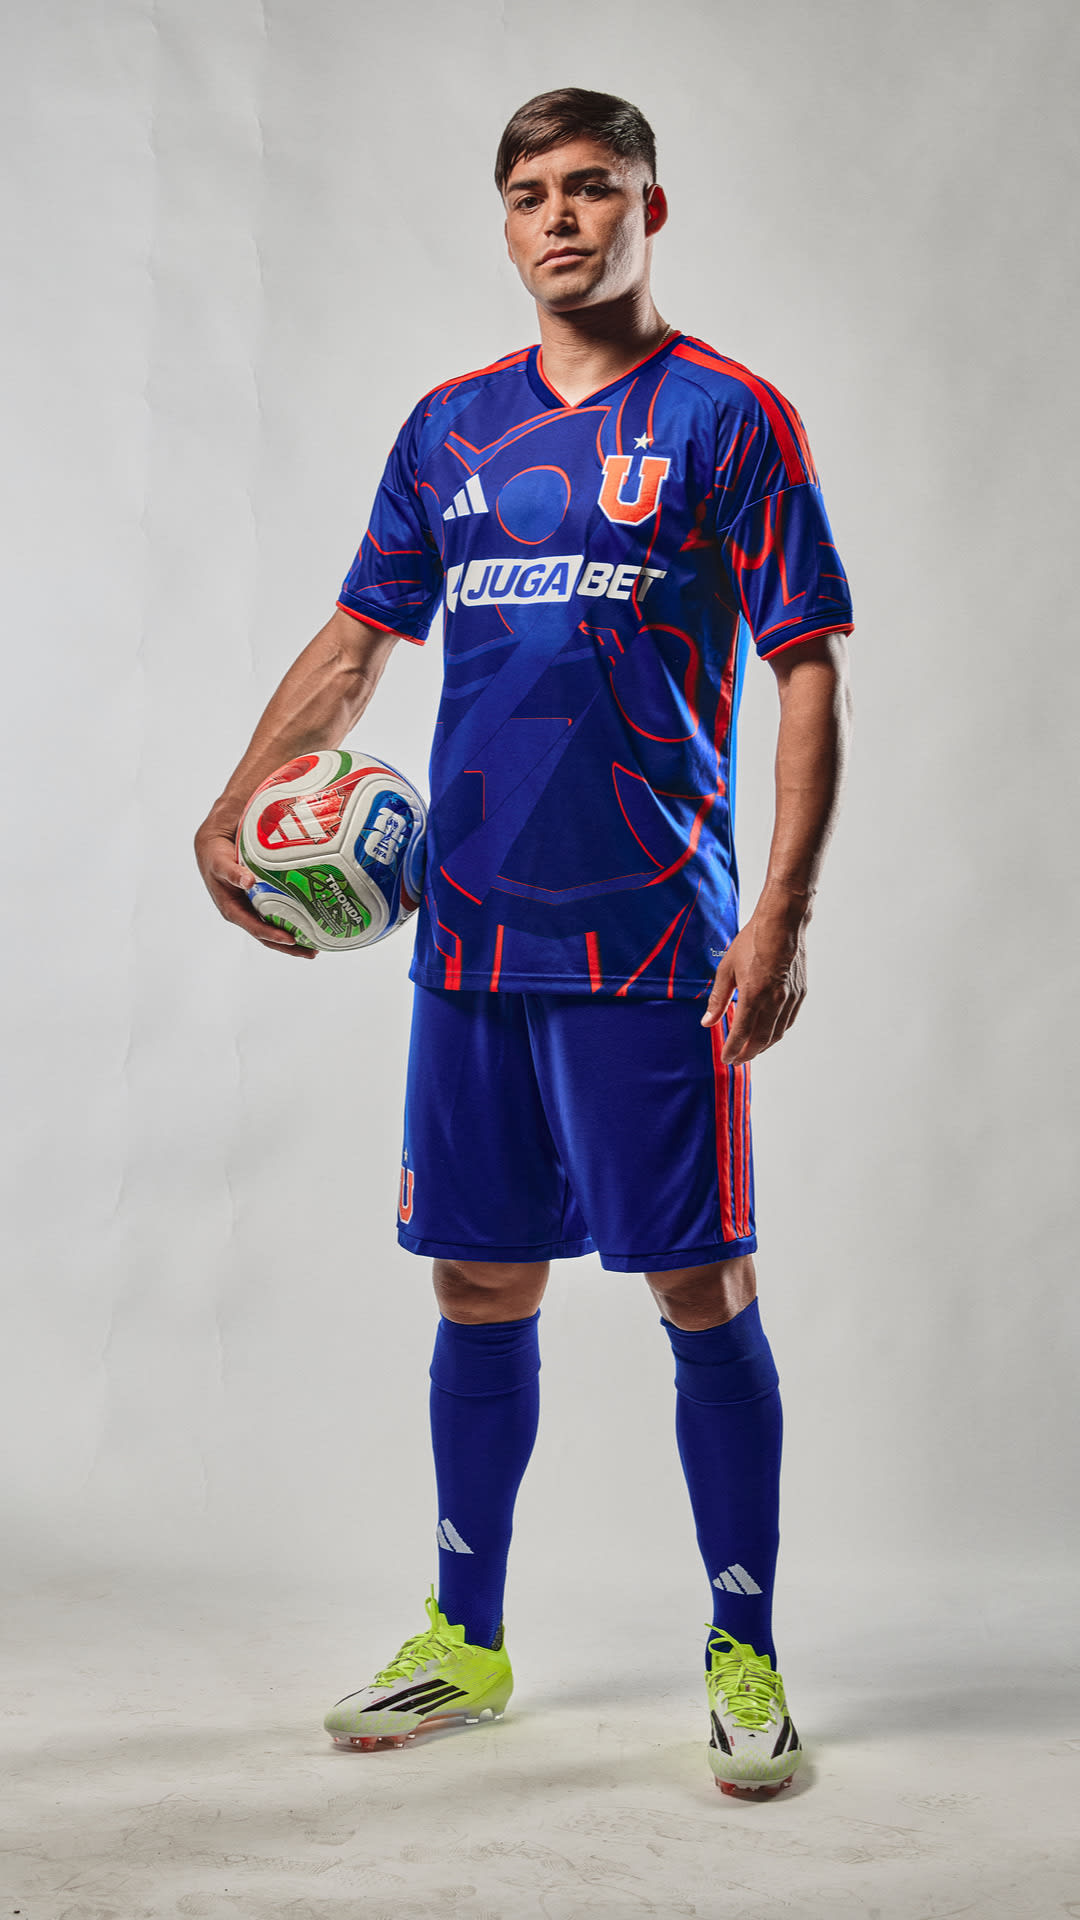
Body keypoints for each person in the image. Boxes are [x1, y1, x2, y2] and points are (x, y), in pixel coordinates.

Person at [195, 86, 853, 1799]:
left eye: (594, 189)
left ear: (652, 206)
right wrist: (234, 803)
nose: (562, 218)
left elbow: (804, 666)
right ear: (503, 223)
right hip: (469, 942)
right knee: (479, 1280)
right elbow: (361, 640)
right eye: (531, 196)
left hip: (654, 941)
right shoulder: (449, 429)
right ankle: (467, 1638)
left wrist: (780, 905)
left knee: (698, 1286)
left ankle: (744, 1649)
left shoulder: (729, 418)